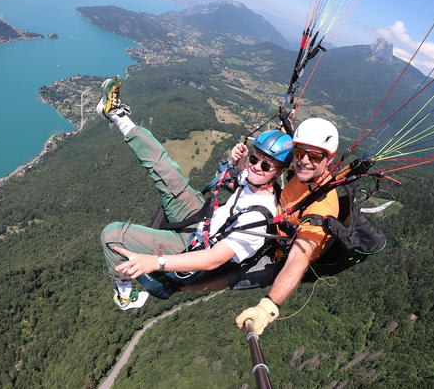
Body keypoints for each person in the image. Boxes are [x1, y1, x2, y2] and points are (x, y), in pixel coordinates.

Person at [96, 75, 293, 310]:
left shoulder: (259, 218)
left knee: (112, 235)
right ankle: (116, 115)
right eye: (255, 158)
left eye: (266, 165)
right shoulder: (254, 180)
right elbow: (238, 181)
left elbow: (213, 260)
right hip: (203, 219)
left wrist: (155, 262)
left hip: (192, 250)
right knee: (164, 168)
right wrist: (239, 163)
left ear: (279, 172)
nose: (256, 167)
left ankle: (124, 293)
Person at [235, 117, 341, 334]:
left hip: (275, 259)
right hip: (269, 232)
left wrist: (268, 307)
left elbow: (298, 259)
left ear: (329, 159)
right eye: (300, 153)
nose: (304, 161)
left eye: (315, 156)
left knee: (222, 273)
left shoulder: (322, 208)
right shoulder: (303, 175)